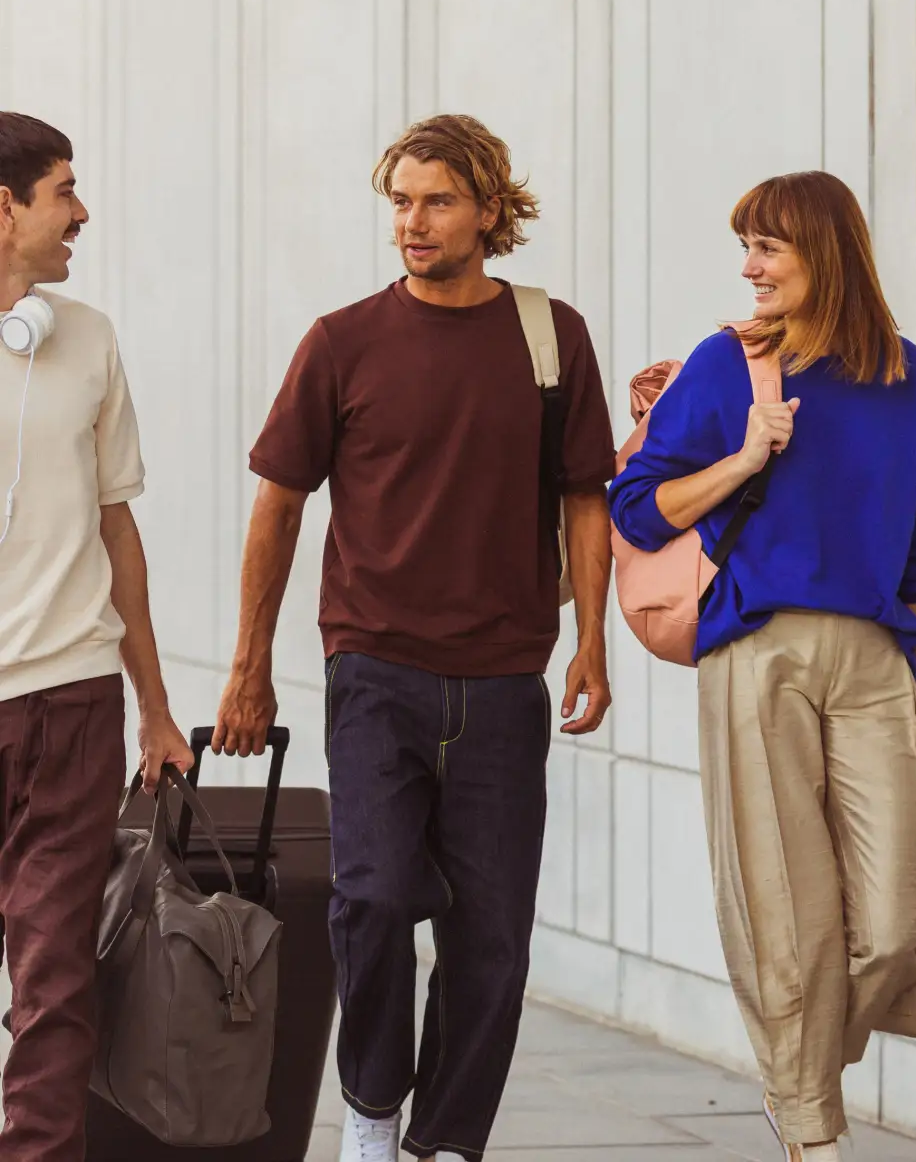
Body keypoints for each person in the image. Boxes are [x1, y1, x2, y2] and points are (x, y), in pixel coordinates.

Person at [215, 114, 615, 1162]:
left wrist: (593, 645)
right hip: (375, 670)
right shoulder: (342, 341)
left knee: (491, 942)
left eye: (437, 200)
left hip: (501, 680)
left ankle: (445, 1142)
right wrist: (249, 666)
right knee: (375, 898)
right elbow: (279, 502)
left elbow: (585, 499)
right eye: (399, 200)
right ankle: (372, 1104)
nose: (413, 222)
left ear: (490, 208)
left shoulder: (549, 336)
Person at [609, 171, 916, 1162]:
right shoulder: (729, 366)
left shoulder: (909, 378)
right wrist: (740, 462)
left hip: (874, 661)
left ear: (827, 254)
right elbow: (635, 507)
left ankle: (794, 1078)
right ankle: (812, 1131)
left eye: (770, 247)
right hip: (756, 651)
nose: (749, 267)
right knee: (785, 911)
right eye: (747, 247)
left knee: (890, 922)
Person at [0, 112, 194, 1162]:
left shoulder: (90, 338)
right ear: (4, 207)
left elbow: (119, 528)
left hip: (74, 700)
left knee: (57, 981)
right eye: (63, 191)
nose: (81, 212)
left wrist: (156, 707)